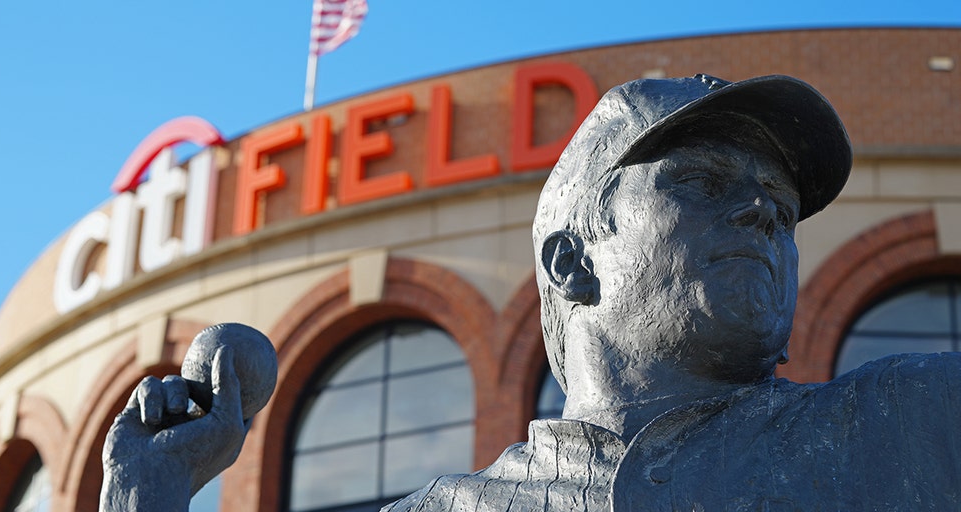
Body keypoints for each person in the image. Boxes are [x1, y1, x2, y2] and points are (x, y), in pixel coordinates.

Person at [382, 74, 961, 511]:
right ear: (573, 263)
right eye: (701, 181)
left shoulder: (920, 415)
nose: (761, 210)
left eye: (783, 211)